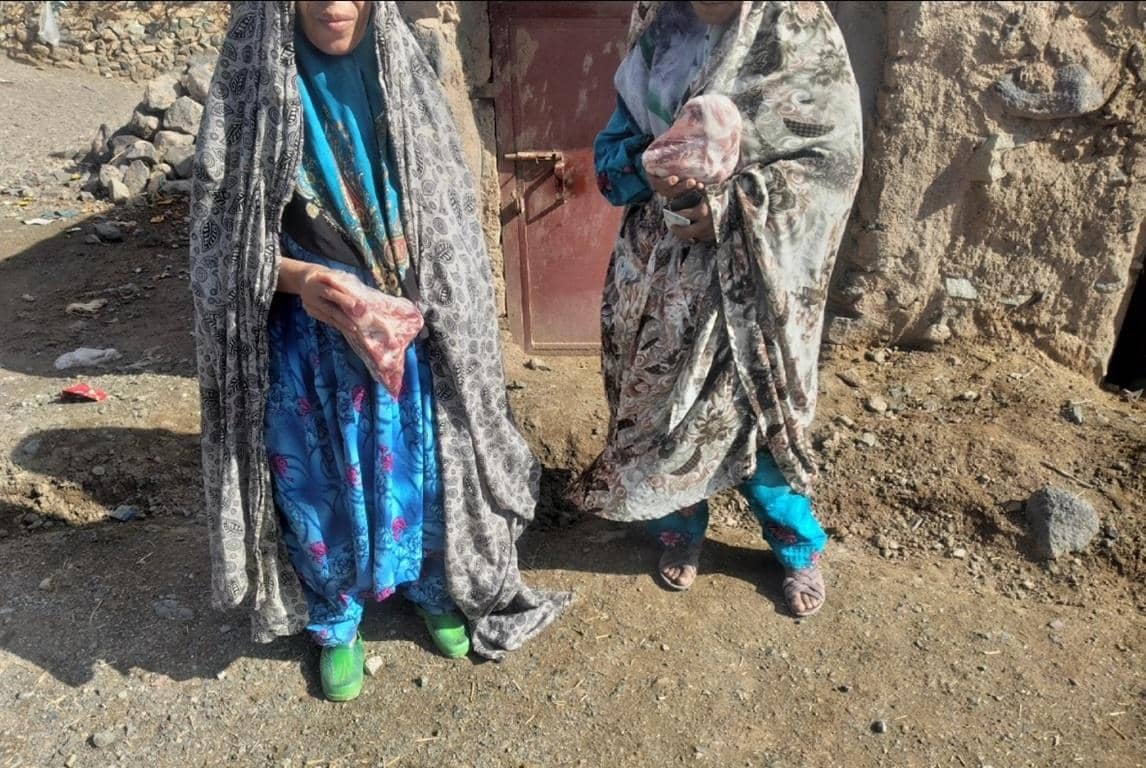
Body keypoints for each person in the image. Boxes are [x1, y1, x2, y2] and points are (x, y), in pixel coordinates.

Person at [190, 1, 569, 702]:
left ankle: (428, 584)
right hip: (307, 333)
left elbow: (446, 209)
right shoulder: (252, 80)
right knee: (316, 475)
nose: (335, 3)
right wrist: (300, 280)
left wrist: (422, 301)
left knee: (418, 460)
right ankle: (335, 617)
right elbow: (220, 232)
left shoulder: (405, 70)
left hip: (406, 323)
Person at [571, 0, 863, 616]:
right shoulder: (659, 35)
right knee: (662, 419)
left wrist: (731, 211)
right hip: (656, 281)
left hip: (750, 292)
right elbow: (612, 156)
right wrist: (648, 171)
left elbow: (830, 167)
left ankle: (797, 547)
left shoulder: (796, 37)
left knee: (753, 429)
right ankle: (679, 529)